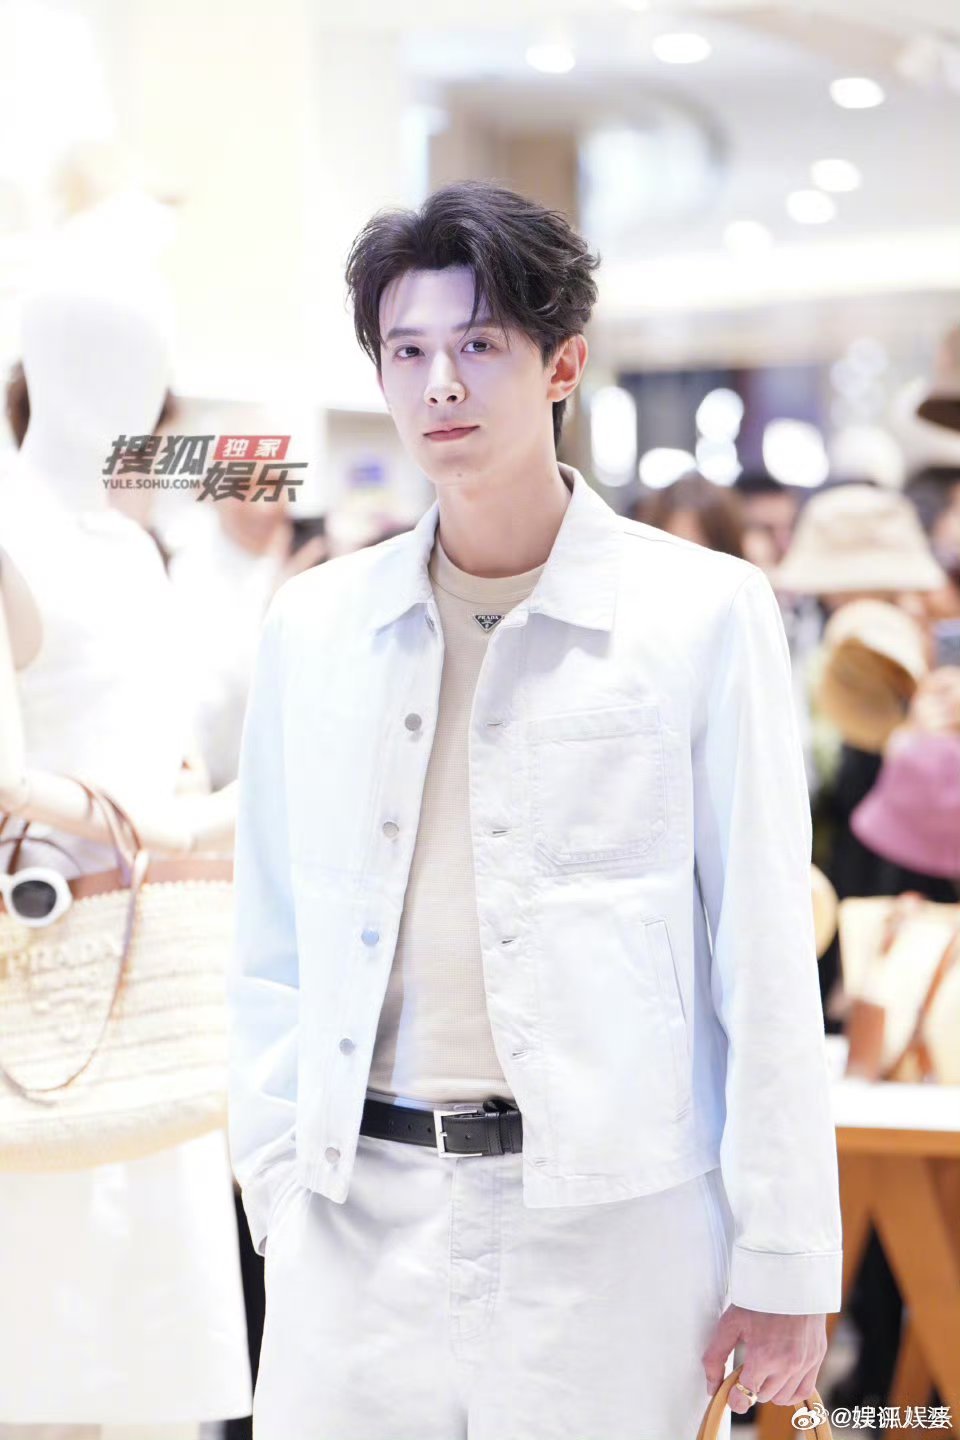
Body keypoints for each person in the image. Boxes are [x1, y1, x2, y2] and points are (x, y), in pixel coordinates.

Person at [226, 180, 842, 1440]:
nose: (440, 383)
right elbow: (269, 937)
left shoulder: (700, 615)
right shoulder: (316, 625)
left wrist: (784, 1256)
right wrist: (277, 1182)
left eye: (479, 344)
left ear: (562, 363)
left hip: (611, 1229)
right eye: (407, 351)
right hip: (355, 1215)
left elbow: (763, 954)